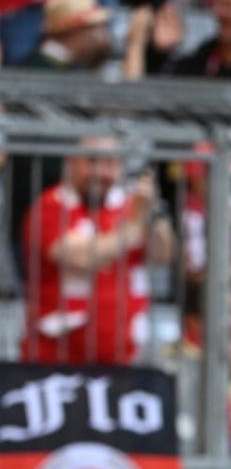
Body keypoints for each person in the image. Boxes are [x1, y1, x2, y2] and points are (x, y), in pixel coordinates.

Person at [20, 136, 174, 365]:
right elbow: (83, 258)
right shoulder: (50, 206)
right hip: (57, 358)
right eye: (91, 162)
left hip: (127, 357)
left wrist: (154, 213)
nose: (100, 172)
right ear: (71, 162)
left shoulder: (129, 205)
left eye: (110, 163)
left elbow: (164, 255)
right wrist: (133, 225)